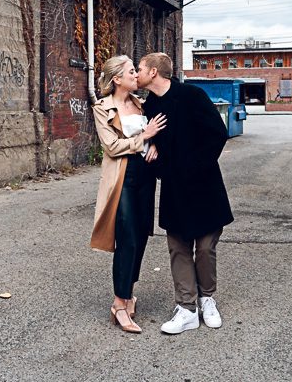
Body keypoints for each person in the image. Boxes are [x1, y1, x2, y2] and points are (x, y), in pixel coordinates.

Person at [137, 52, 234, 334]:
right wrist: (154, 148)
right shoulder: (150, 106)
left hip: (204, 185)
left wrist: (194, 167)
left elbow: (217, 133)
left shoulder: (192, 95)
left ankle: (207, 299)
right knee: (178, 247)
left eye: (140, 68)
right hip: (174, 188)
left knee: (205, 247)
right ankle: (187, 308)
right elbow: (152, 143)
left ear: (153, 72)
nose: (137, 73)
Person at [91, 55, 167, 334]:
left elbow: (155, 134)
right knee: (127, 237)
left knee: (141, 235)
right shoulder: (102, 108)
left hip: (145, 176)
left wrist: (154, 144)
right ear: (117, 79)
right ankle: (119, 303)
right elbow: (111, 146)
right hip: (122, 177)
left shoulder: (141, 103)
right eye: (132, 71)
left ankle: (128, 293)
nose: (137, 75)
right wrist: (144, 137)